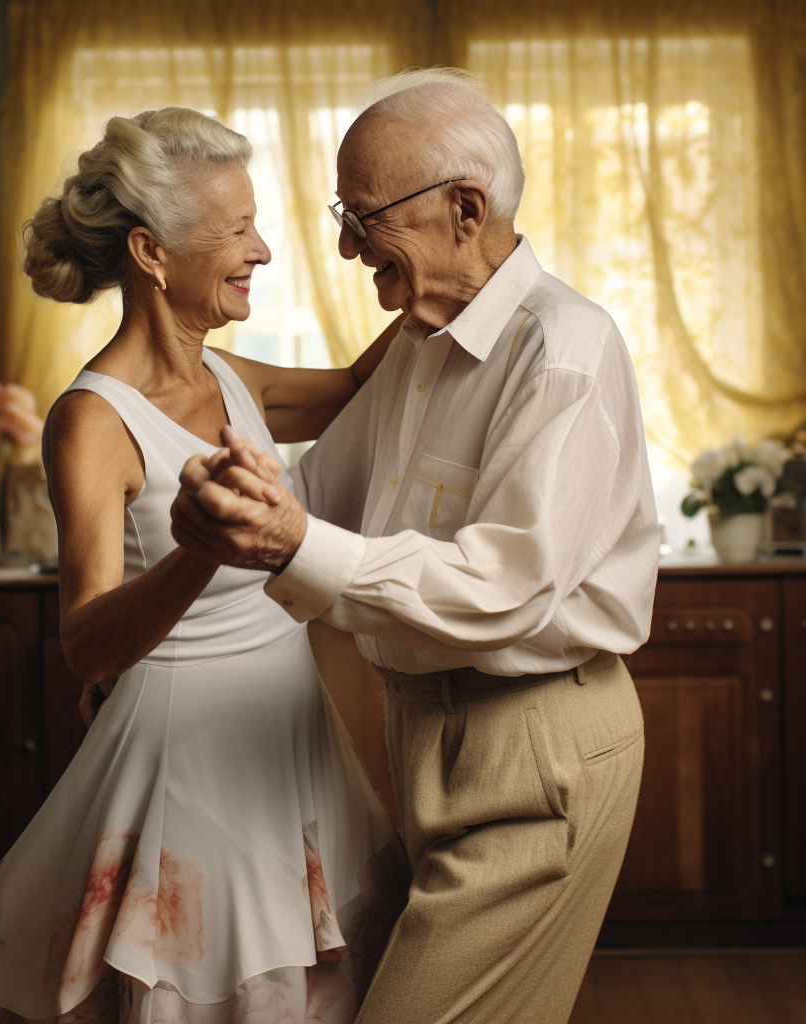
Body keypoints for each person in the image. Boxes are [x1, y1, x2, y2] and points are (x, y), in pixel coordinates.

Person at [170, 68, 659, 1024]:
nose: (347, 247)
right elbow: (318, 503)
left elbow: (504, 587)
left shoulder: (562, 348)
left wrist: (288, 536)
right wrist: (221, 529)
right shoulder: (417, 343)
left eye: (364, 216)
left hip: (536, 746)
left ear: (466, 208)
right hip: (427, 735)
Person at [0, 107, 409, 1024]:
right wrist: (198, 550)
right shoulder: (92, 420)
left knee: (316, 988)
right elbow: (88, 646)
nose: (262, 249)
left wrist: (440, 279)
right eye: (237, 230)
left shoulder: (232, 380)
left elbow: (356, 388)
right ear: (150, 251)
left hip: (288, 727)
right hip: (191, 754)